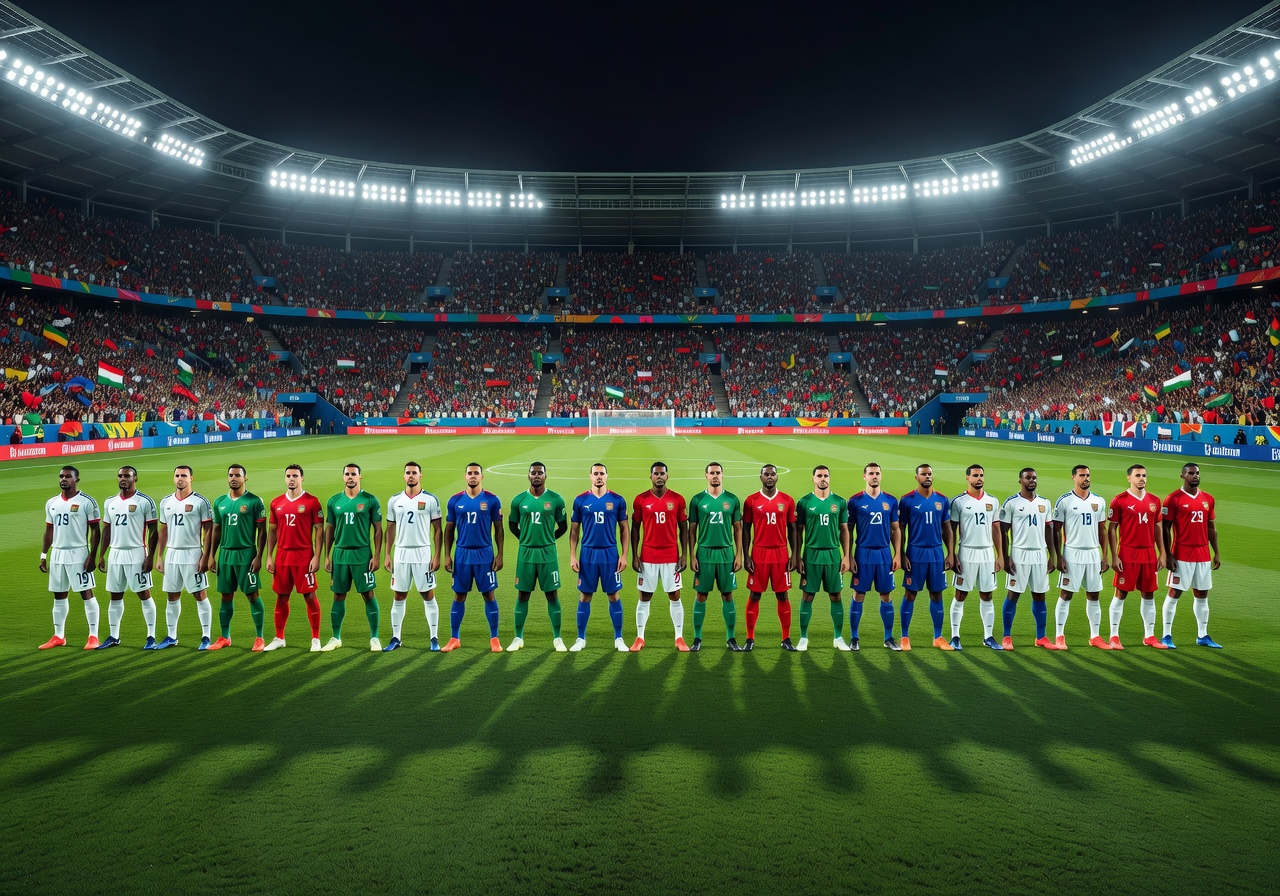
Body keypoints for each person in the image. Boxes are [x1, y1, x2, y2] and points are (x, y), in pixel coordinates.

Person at [441, 462, 504, 652]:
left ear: (482, 477)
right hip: (462, 554)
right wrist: (446, 556)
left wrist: (499, 554)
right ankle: (454, 638)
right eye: (470, 473)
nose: (473, 476)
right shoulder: (455, 500)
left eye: (476, 473)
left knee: (489, 594)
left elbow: (499, 529)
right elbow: (449, 530)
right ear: (465, 476)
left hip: (485, 553)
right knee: (459, 595)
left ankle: (494, 638)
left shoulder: (492, 500)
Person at [321, 463, 384, 652]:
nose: (350, 477)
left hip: (362, 554)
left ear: (360, 477)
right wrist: (327, 556)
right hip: (340, 554)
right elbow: (329, 529)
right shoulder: (333, 501)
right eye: (347, 474)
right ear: (343, 477)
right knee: (338, 595)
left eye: (354, 474)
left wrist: (377, 555)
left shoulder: (370, 500)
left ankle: (374, 637)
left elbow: (378, 529)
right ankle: (335, 637)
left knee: (368, 594)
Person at [38, 466, 102, 649]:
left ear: (76, 479)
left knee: (86, 593)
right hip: (57, 554)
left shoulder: (87, 501)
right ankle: (59, 636)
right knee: (58, 595)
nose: (63, 479)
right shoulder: (52, 502)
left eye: (68, 476)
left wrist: (92, 555)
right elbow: (49, 530)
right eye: (61, 476)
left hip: (78, 553)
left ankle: (93, 636)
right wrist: (44, 555)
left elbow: (95, 531)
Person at [568, 462, 630, 652]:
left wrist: (625, 555)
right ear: (590, 476)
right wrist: (572, 556)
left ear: (607, 476)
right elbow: (574, 531)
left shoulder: (618, 500)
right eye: (595, 473)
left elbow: (624, 529)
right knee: (585, 595)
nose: (599, 477)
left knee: (613, 595)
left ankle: (618, 638)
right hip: (587, 554)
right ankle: (580, 638)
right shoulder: (580, 500)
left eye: (602, 473)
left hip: (610, 554)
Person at [1160, 463, 1223, 648]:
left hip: (1203, 554)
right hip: (1182, 554)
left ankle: (1203, 635)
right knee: (1174, 592)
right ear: (1182, 476)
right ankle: (1166, 635)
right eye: (1191, 473)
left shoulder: (1208, 499)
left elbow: (1211, 527)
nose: (1195, 476)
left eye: (1197, 473)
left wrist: (1216, 552)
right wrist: (1168, 554)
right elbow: (1165, 528)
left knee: (1202, 594)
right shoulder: (1173, 499)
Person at [507, 462, 568, 651]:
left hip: (548, 552)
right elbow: (512, 525)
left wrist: (548, 539)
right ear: (528, 475)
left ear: (545, 476)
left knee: (551, 594)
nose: (537, 475)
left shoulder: (556, 499)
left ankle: (557, 638)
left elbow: (563, 526)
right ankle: (518, 637)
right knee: (523, 594)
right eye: (533, 473)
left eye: (540, 473)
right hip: (525, 552)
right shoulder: (518, 500)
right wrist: (526, 539)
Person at [383, 461, 444, 651]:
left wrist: (436, 555)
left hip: (423, 552)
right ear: (404, 476)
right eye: (408, 473)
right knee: (399, 595)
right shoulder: (394, 500)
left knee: (428, 594)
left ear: (420, 476)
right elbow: (390, 529)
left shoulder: (431, 500)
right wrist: (387, 554)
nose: (411, 476)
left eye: (414, 473)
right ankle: (396, 638)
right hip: (401, 552)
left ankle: (434, 638)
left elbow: (438, 530)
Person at [206, 464, 268, 651]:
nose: (234, 478)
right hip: (225, 554)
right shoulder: (219, 502)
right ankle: (225, 637)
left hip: (246, 554)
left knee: (252, 594)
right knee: (226, 595)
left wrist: (258, 556)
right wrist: (211, 556)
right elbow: (216, 531)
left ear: (245, 478)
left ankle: (259, 637)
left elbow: (262, 531)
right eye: (231, 475)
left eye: (238, 475)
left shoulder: (254, 501)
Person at [263, 464, 324, 651]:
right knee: (281, 596)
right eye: (288, 475)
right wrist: (269, 557)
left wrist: (316, 557)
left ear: (302, 478)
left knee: (310, 595)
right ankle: (279, 637)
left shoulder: (312, 502)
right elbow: (272, 532)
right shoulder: (276, 503)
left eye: (295, 476)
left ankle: (315, 639)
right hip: (282, 555)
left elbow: (319, 530)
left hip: (304, 555)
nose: (291, 479)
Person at [1106, 463, 1167, 650]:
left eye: (1144, 475)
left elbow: (1158, 528)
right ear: (1129, 478)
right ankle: (1114, 636)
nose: (1142, 478)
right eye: (1138, 475)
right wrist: (1114, 556)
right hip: (1127, 552)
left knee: (1149, 594)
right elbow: (1112, 528)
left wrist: (1162, 553)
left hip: (1148, 553)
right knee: (1121, 593)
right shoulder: (1120, 500)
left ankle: (1149, 636)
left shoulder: (1155, 501)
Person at [97, 466, 159, 649]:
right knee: (115, 595)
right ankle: (114, 636)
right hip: (115, 554)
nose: (123, 478)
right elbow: (107, 529)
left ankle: (151, 636)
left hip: (136, 552)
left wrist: (150, 557)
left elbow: (154, 531)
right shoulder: (110, 502)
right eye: (120, 476)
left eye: (127, 476)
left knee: (144, 594)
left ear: (135, 478)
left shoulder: (145, 501)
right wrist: (102, 554)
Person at [629, 462, 689, 651]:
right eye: (656, 473)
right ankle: (640, 637)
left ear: (667, 476)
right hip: (648, 556)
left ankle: (679, 638)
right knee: (644, 597)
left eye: (662, 473)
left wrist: (684, 554)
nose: (659, 476)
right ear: (651, 476)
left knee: (675, 595)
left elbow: (684, 528)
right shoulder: (641, 499)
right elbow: (635, 528)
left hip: (671, 556)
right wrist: (635, 555)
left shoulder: (677, 499)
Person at [155, 465, 215, 650]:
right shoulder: (166, 501)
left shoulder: (201, 502)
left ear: (191, 478)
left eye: (184, 475)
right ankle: (171, 636)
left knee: (200, 594)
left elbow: (209, 530)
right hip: (172, 553)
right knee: (172, 596)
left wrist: (206, 556)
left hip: (192, 553)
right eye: (177, 475)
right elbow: (163, 530)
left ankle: (206, 637)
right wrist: (159, 556)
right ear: (173, 478)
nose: (180, 478)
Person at [686, 461, 744, 651]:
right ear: (706, 476)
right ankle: (697, 638)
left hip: (726, 553)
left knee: (727, 595)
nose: (715, 476)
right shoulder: (697, 500)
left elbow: (738, 529)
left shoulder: (732, 499)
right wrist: (692, 556)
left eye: (718, 472)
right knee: (701, 595)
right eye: (712, 473)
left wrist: (739, 554)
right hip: (704, 553)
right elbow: (692, 530)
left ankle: (731, 638)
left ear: (722, 475)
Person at [1051, 464, 1110, 650]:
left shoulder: (1099, 501)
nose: (1086, 478)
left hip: (1093, 553)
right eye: (1082, 475)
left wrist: (1105, 554)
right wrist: (1058, 555)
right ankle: (1059, 636)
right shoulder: (1064, 501)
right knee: (1066, 594)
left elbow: (1102, 530)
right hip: (1072, 553)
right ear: (1073, 478)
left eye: (1088, 475)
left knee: (1094, 594)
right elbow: (1056, 531)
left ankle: (1095, 636)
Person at [742, 463, 798, 652]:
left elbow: (793, 530)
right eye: (766, 474)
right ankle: (750, 638)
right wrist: (746, 555)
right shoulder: (751, 500)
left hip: (781, 553)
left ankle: (786, 638)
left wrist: (795, 555)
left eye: (773, 474)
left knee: (782, 594)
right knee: (755, 594)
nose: (770, 477)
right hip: (759, 553)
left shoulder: (787, 500)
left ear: (777, 477)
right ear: (761, 477)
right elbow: (746, 530)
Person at [795, 465, 851, 652]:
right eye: (819, 476)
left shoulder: (840, 502)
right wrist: (797, 556)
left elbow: (844, 530)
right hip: (811, 554)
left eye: (826, 476)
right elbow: (798, 531)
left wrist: (846, 556)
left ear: (829, 478)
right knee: (807, 595)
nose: (823, 479)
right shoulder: (804, 502)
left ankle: (838, 637)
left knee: (836, 595)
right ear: (813, 479)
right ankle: (803, 638)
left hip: (833, 555)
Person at [999, 467, 1056, 651]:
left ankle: (1041, 637)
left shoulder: (1045, 503)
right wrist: (1006, 556)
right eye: (1028, 478)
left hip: (1039, 554)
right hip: (1019, 554)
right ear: (1020, 481)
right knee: (1013, 594)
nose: (1032, 480)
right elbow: (1003, 532)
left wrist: (1052, 555)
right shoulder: (1011, 503)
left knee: (1040, 595)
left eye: (1034, 478)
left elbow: (1049, 530)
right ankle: (1006, 636)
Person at [899, 464, 953, 651]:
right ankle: (905, 637)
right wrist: (902, 553)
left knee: (936, 593)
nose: (927, 477)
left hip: (936, 553)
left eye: (929, 474)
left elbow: (947, 529)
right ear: (917, 477)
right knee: (910, 594)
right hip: (915, 552)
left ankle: (938, 636)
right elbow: (900, 530)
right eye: (923, 474)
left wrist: (950, 553)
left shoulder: (942, 499)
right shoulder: (907, 500)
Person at [949, 464, 1003, 650]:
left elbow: (996, 529)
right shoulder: (958, 501)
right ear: (967, 478)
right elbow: (952, 530)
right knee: (960, 594)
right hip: (966, 552)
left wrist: (1000, 555)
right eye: (975, 475)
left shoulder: (993, 501)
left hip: (987, 553)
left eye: (981, 475)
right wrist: (953, 554)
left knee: (987, 595)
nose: (979, 478)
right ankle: (955, 636)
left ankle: (988, 637)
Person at [849, 462, 902, 650]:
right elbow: (848, 529)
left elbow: (896, 529)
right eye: (871, 473)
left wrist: (897, 555)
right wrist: (849, 556)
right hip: (862, 553)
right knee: (858, 594)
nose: (874, 476)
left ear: (881, 476)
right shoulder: (855, 501)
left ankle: (888, 638)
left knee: (886, 595)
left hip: (884, 554)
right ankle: (854, 638)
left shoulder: (890, 500)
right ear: (864, 476)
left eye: (877, 473)